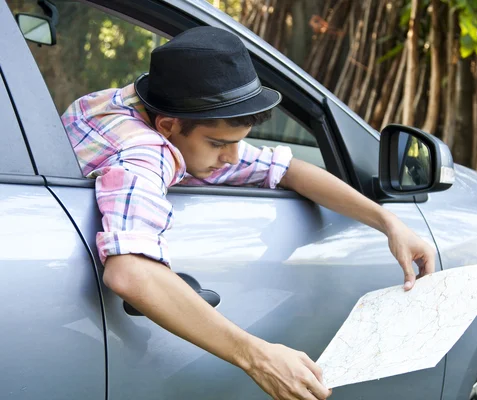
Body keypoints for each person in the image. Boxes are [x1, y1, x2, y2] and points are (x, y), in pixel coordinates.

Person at [62, 26, 436, 400]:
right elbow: (130, 273)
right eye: (218, 145)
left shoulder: (117, 104)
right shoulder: (145, 155)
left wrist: (389, 223)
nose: (232, 159)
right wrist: (257, 357)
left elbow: (287, 170)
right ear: (168, 126)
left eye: (237, 143)